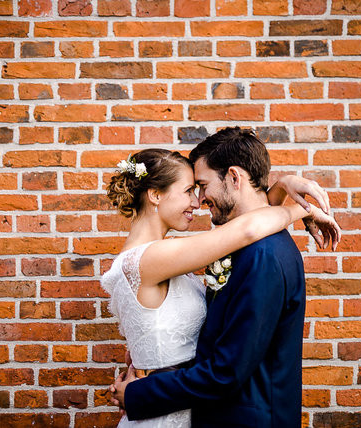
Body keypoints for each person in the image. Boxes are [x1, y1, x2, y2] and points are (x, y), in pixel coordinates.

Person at [104, 128, 341, 427]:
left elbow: (227, 370)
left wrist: (141, 392)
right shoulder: (227, 246)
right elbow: (248, 227)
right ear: (154, 195)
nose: (199, 200)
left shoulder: (262, 254)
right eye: (190, 190)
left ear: (233, 177)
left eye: (201, 186)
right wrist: (293, 202)